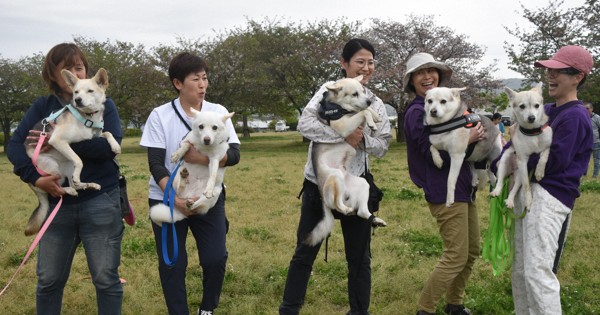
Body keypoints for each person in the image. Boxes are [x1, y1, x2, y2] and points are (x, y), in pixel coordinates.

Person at [6, 43, 124, 314]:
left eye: (79, 66)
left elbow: (108, 148)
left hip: (100, 200)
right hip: (59, 203)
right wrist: (35, 178)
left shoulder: (105, 105)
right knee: (48, 280)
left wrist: (56, 141)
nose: (74, 72)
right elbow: (15, 147)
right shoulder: (43, 107)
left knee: (106, 279)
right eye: (66, 68)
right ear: (53, 74)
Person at [279, 38, 391, 315]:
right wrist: (342, 133)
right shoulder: (328, 91)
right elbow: (304, 124)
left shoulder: (374, 103)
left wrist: (361, 139)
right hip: (319, 184)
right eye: (359, 62)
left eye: (370, 62)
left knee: (360, 259)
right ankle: (289, 310)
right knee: (304, 253)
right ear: (344, 64)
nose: (366, 67)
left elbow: (383, 145)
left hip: (355, 187)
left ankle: (358, 311)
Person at [140, 52, 240, 315]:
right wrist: (175, 199)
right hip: (167, 195)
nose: (202, 84)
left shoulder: (218, 113)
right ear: (178, 83)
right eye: (195, 79)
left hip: (207, 196)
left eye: (205, 78)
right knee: (173, 263)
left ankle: (207, 309)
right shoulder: (160, 115)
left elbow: (236, 155)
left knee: (215, 258)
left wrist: (205, 159)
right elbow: (155, 163)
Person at [506, 45, 594, 314]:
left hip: (550, 197)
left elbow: (554, 162)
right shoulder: (542, 109)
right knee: (521, 270)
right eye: (548, 70)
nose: (549, 75)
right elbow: (513, 144)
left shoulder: (576, 116)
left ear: (577, 76)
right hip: (526, 190)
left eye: (558, 70)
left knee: (537, 271)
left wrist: (515, 154)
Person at [402, 53, 485, 315]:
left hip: (463, 187)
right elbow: (431, 154)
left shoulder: (445, 106)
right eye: (420, 73)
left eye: (431, 71)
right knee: (456, 254)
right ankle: (425, 310)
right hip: (442, 189)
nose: (427, 76)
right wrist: (467, 139)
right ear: (412, 81)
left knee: (471, 251)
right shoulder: (418, 112)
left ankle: (455, 304)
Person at [585, 102, 600, 178]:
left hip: (596, 142)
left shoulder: (597, 118)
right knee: (585, 160)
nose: (586, 110)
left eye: (587, 108)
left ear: (592, 109)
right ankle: (584, 175)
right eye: (584, 108)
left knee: (596, 160)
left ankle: (595, 175)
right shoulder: (583, 117)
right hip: (586, 143)